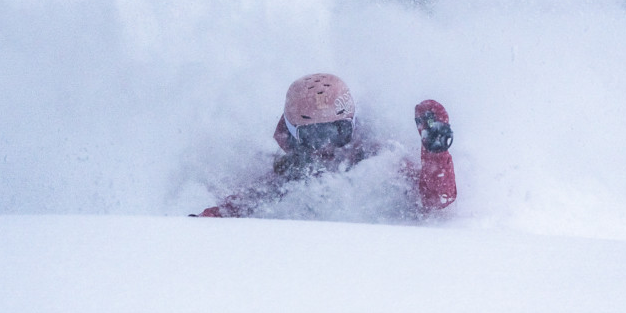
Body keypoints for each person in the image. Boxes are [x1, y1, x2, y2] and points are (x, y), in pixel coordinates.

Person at [192, 73, 456, 219]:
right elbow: (242, 208)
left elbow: (436, 200)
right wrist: (206, 221)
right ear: (295, 136)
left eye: (338, 131)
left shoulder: (378, 159)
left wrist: (435, 153)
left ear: (352, 125)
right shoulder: (289, 177)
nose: (328, 145)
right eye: (316, 136)